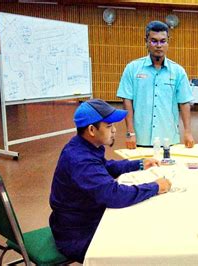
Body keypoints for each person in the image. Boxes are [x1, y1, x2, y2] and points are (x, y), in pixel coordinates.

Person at [49, 99, 172, 263]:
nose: (114, 130)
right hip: (77, 235)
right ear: (92, 129)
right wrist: (155, 187)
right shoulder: (81, 160)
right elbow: (113, 195)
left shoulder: (82, 145)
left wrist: (139, 163)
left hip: (79, 221)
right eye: (108, 126)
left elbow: (105, 166)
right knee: (141, 245)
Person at [117, 21, 194, 148]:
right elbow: (127, 101)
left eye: (163, 41)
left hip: (168, 139)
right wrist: (130, 132)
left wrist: (188, 132)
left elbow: (184, 102)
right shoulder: (132, 69)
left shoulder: (178, 71)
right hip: (141, 138)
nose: (159, 45)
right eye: (154, 41)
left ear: (168, 42)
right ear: (146, 41)